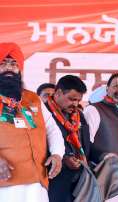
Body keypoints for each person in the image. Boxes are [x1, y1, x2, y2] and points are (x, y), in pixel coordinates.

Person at [0, 42, 64, 202]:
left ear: (20, 69)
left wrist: (57, 154)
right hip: (5, 184)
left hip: (36, 184)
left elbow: (52, 129)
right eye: (3, 63)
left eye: (14, 63)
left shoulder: (33, 99)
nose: (9, 67)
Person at [45, 75, 103, 202]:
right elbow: (38, 145)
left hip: (79, 183)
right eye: (72, 99)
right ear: (59, 93)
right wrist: (63, 158)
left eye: (78, 100)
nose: (76, 104)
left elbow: (86, 144)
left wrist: (104, 156)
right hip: (53, 182)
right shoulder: (43, 112)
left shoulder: (79, 115)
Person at [84, 73, 118, 202]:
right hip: (103, 181)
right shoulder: (94, 110)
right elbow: (86, 146)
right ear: (107, 89)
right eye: (116, 86)